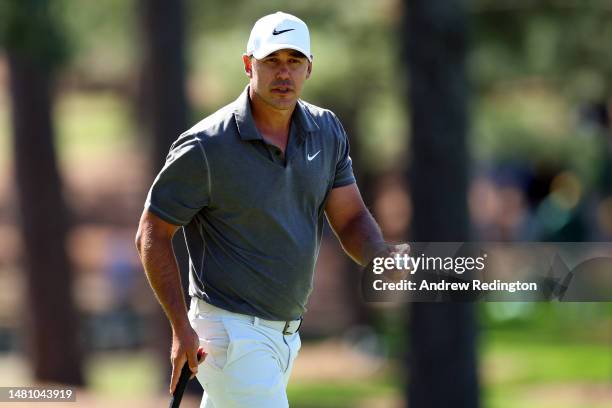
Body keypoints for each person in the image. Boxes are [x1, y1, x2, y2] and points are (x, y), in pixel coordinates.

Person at [135, 11, 409, 408]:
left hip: (284, 336)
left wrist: (380, 257)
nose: (284, 73)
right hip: (227, 334)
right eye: (272, 61)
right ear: (249, 65)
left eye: (294, 62)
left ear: (309, 69)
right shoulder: (206, 146)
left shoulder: (326, 130)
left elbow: (350, 218)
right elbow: (151, 233)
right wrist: (180, 327)